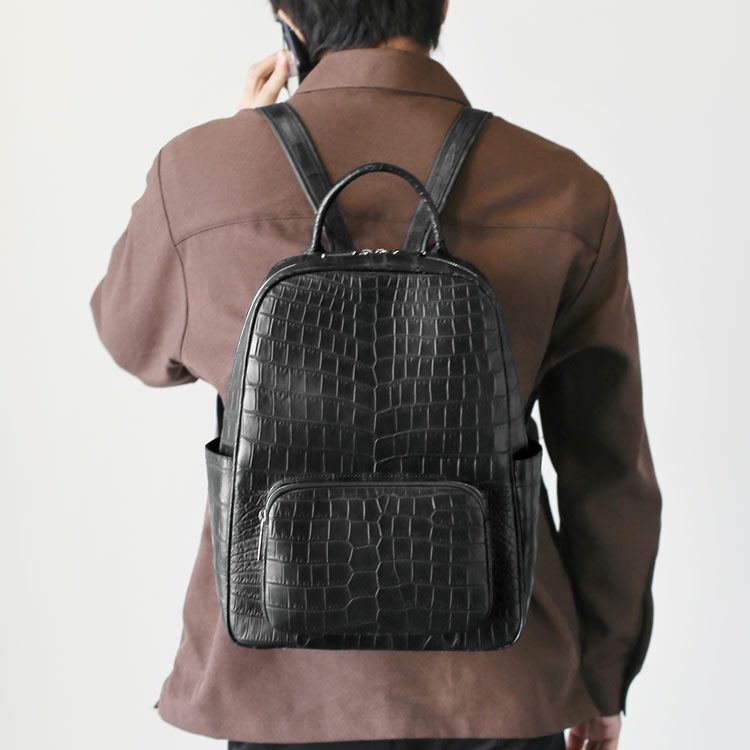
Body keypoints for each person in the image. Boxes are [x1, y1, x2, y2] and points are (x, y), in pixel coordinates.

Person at [89, 1, 661, 749]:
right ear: (441, 4)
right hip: (503, 678)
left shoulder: (198, 175)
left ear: (288, 19)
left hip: (276, 684)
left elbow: (134, 342)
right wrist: (604, 676)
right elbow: (609, 471)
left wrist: (237, 145)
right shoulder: (562, 187)